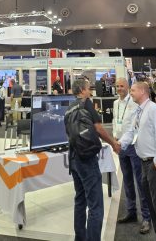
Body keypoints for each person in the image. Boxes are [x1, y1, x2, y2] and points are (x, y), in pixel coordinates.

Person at [119, 82, 156, 241]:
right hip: (145, 164)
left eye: (132, 90)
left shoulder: (154, 110)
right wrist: (119, 144)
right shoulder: (139, 111)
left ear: (142, 92)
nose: (130, 93)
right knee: (153, 206)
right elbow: (131, 132)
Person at [67, 77, 120, 241]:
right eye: (88, 88)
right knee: (96, 205)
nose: (90, 91)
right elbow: (98, 128)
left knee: (80, 200)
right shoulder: (86, 103)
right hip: (87, 159)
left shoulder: (69, 107)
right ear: (82, 90)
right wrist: (113, 143)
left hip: (74, 158)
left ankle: (80, 238)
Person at [113, 78, 151, 234]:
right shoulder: (116, 103)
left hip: (134, 146)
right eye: (117, 86)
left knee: (141, 182)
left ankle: (147, 217)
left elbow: (136, 126)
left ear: (128, 87)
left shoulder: (135, 103)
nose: (119, 88)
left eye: (122, 86)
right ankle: (131, 212)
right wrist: (115, 139)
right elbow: (116, 122)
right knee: (127, 181)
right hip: (121, 146)